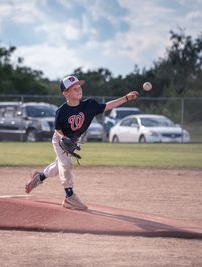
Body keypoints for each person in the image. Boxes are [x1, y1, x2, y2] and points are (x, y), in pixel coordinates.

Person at [25, 75, 138, 210]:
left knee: (59, 166)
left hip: (73, 140)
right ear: (65, 93)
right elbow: (57, 129)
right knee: (66, 164)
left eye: (79, 87)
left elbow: (107, 106)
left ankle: (40, 176)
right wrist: (62, 138)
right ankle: (69, 196)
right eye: (74, 89)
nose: (79, 90)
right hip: (60, 140)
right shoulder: (61, 111)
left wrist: (126, 98)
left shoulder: (89, 105)